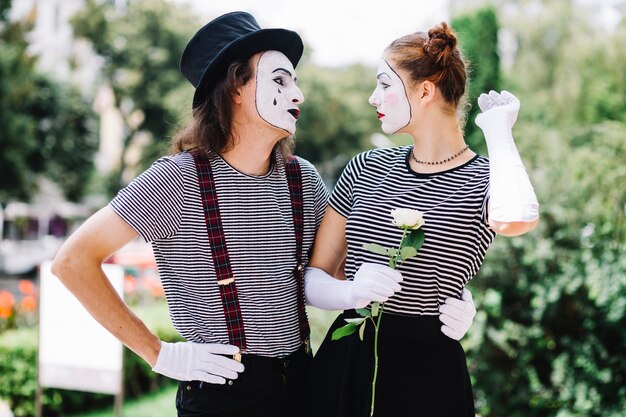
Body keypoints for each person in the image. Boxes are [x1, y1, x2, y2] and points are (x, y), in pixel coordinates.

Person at [51, 12, 479, 417]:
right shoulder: (178, 181)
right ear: (235, 87)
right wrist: (159, 353)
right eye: (280, 79)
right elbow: (72, 262)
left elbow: (344, 274)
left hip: (305, 386)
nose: (299, 94)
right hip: (222, 394)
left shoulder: (302, 180)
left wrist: (454, 295)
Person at [302, 22, 539, 417]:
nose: (373, 96)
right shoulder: (365, 167)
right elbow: (314, 277)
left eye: (385, 84)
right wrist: (351, 294)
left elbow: (518, 219)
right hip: (350, 365)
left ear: (425, 90)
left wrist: (499, 135)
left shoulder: (486, 180)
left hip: (431, 374)